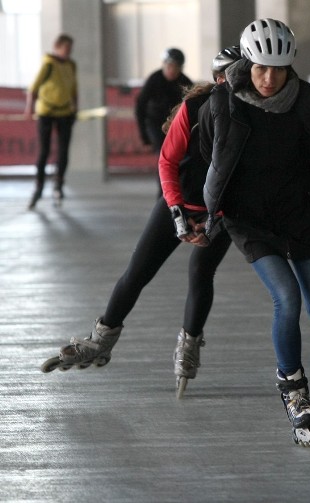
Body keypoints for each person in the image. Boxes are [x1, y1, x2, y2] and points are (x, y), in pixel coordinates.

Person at [199, 18, 310, 447]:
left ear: (290, 67)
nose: (268, 77)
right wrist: (197, 211)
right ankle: (294, 392)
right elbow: (210, 162)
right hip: (250, 220)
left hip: (300, 213)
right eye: (261, 67)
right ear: (247, 62)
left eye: (278, 69)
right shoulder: (221, 105)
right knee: (287, 297)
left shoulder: (306, 102)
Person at [41, 48, 240, 400]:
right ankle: (101, 340)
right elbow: (167, 161)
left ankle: (189, 346)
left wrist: (214, 219)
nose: (236, 84)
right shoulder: (195, 108)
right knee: (136, 273)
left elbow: (246, 179)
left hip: (220, 211)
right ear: (218, 79)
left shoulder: (251, 117)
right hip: (177, 203)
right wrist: (177, 211)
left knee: (200, 274)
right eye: (229, 77)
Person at [25, 33, 78, 210]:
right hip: (46, 112)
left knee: (63, 150)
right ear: (57, 47)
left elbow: (73, 89)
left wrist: (75, 107)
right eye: (66, 49)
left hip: (65, 112)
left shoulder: (71, 65)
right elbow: (33, 88)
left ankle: (58, 183)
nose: (68, 52)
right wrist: (29, 108)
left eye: (70, 50)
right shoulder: (48, 64)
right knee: (44, 150)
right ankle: (39, 187)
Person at [135, 47, 193, 195]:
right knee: (165, 155)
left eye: (176, 67)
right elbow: (140, 106)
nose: (172, 70)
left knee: (180, 158)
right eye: (169, 66)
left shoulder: (185, 83)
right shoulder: (154, 79)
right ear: (164, 65)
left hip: (175, 126)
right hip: (155, 124)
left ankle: (178, 190)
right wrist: (144, 136)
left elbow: (193, 106)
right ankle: (163, 193)